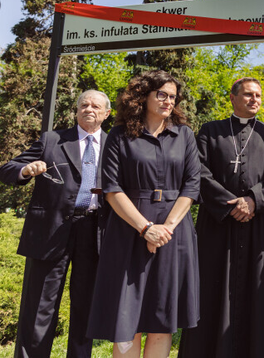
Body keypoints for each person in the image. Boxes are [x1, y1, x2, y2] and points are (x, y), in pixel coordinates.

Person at [86, 70, 201, 358]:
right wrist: (146, 228)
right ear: (143, 96)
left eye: (173, 97)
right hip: (128, 231)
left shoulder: (184, 135)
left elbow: (192, 185)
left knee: (163, 319)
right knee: (128, 320)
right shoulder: (119, 135)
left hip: (175, 233)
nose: (168, 101)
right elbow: (111, 189)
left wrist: (165, 229)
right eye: (161, 94)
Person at [178, 77, 264, 358]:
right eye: (249, 95)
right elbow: (198, 172)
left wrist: (253, 200)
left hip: (258, 224)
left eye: (259, 96)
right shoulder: (210, 131)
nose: (255, 100)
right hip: (217, 224)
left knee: (256, 291)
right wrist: (231, 205)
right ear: (233, 97)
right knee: (211, 289)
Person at [0, 90, 110, 358]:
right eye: (83, 104)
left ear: (106, 114)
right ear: (76, 110)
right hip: (50, 232)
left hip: (94, 233)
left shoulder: (115, 145)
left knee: (85, 308)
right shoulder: (53, 140)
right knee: (39, 306)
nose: (89, 109)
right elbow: (8, 168)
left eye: (96, 106)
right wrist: (26, 170)